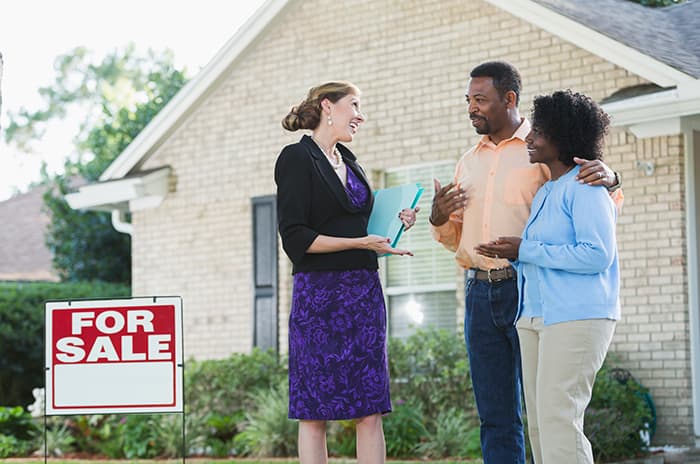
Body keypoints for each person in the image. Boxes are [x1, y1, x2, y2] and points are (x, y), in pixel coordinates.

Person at [429, 61, 622, 464]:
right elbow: (455, 238)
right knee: (502, 415)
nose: (471, 109)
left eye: (480, 100)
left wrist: (612, 177)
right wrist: (438, 218)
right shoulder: (469, 162)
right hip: (480, 291)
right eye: (468, 101)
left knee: (554, 413)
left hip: (531, 289)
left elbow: (597, 216)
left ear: (509, 99)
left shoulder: (545, 152)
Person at [474, 89, 619, 464]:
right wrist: (514, 256)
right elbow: (541, 258)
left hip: (575, 317)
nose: (531, 139)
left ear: (561, 136)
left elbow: (597, 255)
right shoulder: (546, 193)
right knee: (539, 424)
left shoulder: (586, 188)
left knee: (559, 420)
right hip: (535, 317)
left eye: (538, 132)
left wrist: (525, 250)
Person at [275, 81, 416, 464]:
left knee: (370, 406)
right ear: (327, 106)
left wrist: (397, 220)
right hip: (318, 297)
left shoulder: (350, 161)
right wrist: (357, 243)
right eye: (354, 104)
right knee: (314, 409)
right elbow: (295, 237)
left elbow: (361, 222)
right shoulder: (296, 158)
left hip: (363, 293)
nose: (360, 114)